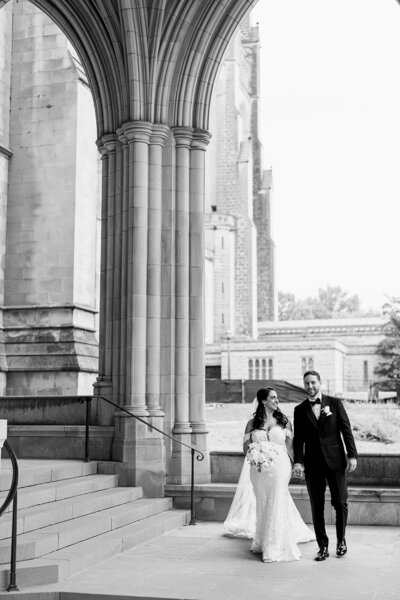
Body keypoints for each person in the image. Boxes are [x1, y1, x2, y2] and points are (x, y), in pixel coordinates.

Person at [224, 387, 314, 563]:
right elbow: (245, 448)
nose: (277, 400)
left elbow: (291, 445)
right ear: (263, 401)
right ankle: (263, 539)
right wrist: (255, 456)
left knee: (276, 501)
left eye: (277, 397)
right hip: (258, 470)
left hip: (280, 467)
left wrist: (297, 464)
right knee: (263, 502)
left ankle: (274, 547)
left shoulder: (284, 421)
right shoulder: (252, 423)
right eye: (273, 397)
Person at [293, 370, 358, 562]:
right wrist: (298, 461)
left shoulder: (335, 404)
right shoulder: (299, 409)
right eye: (306, 383)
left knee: (340, 503)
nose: (310, 386)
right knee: (316, 506)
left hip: (336, 462)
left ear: (320, 383)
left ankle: (341, 541)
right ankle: (322, 546)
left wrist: (352, 455)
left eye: (313, 382)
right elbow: (298, 440)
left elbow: (346, 430)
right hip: (313, 464)